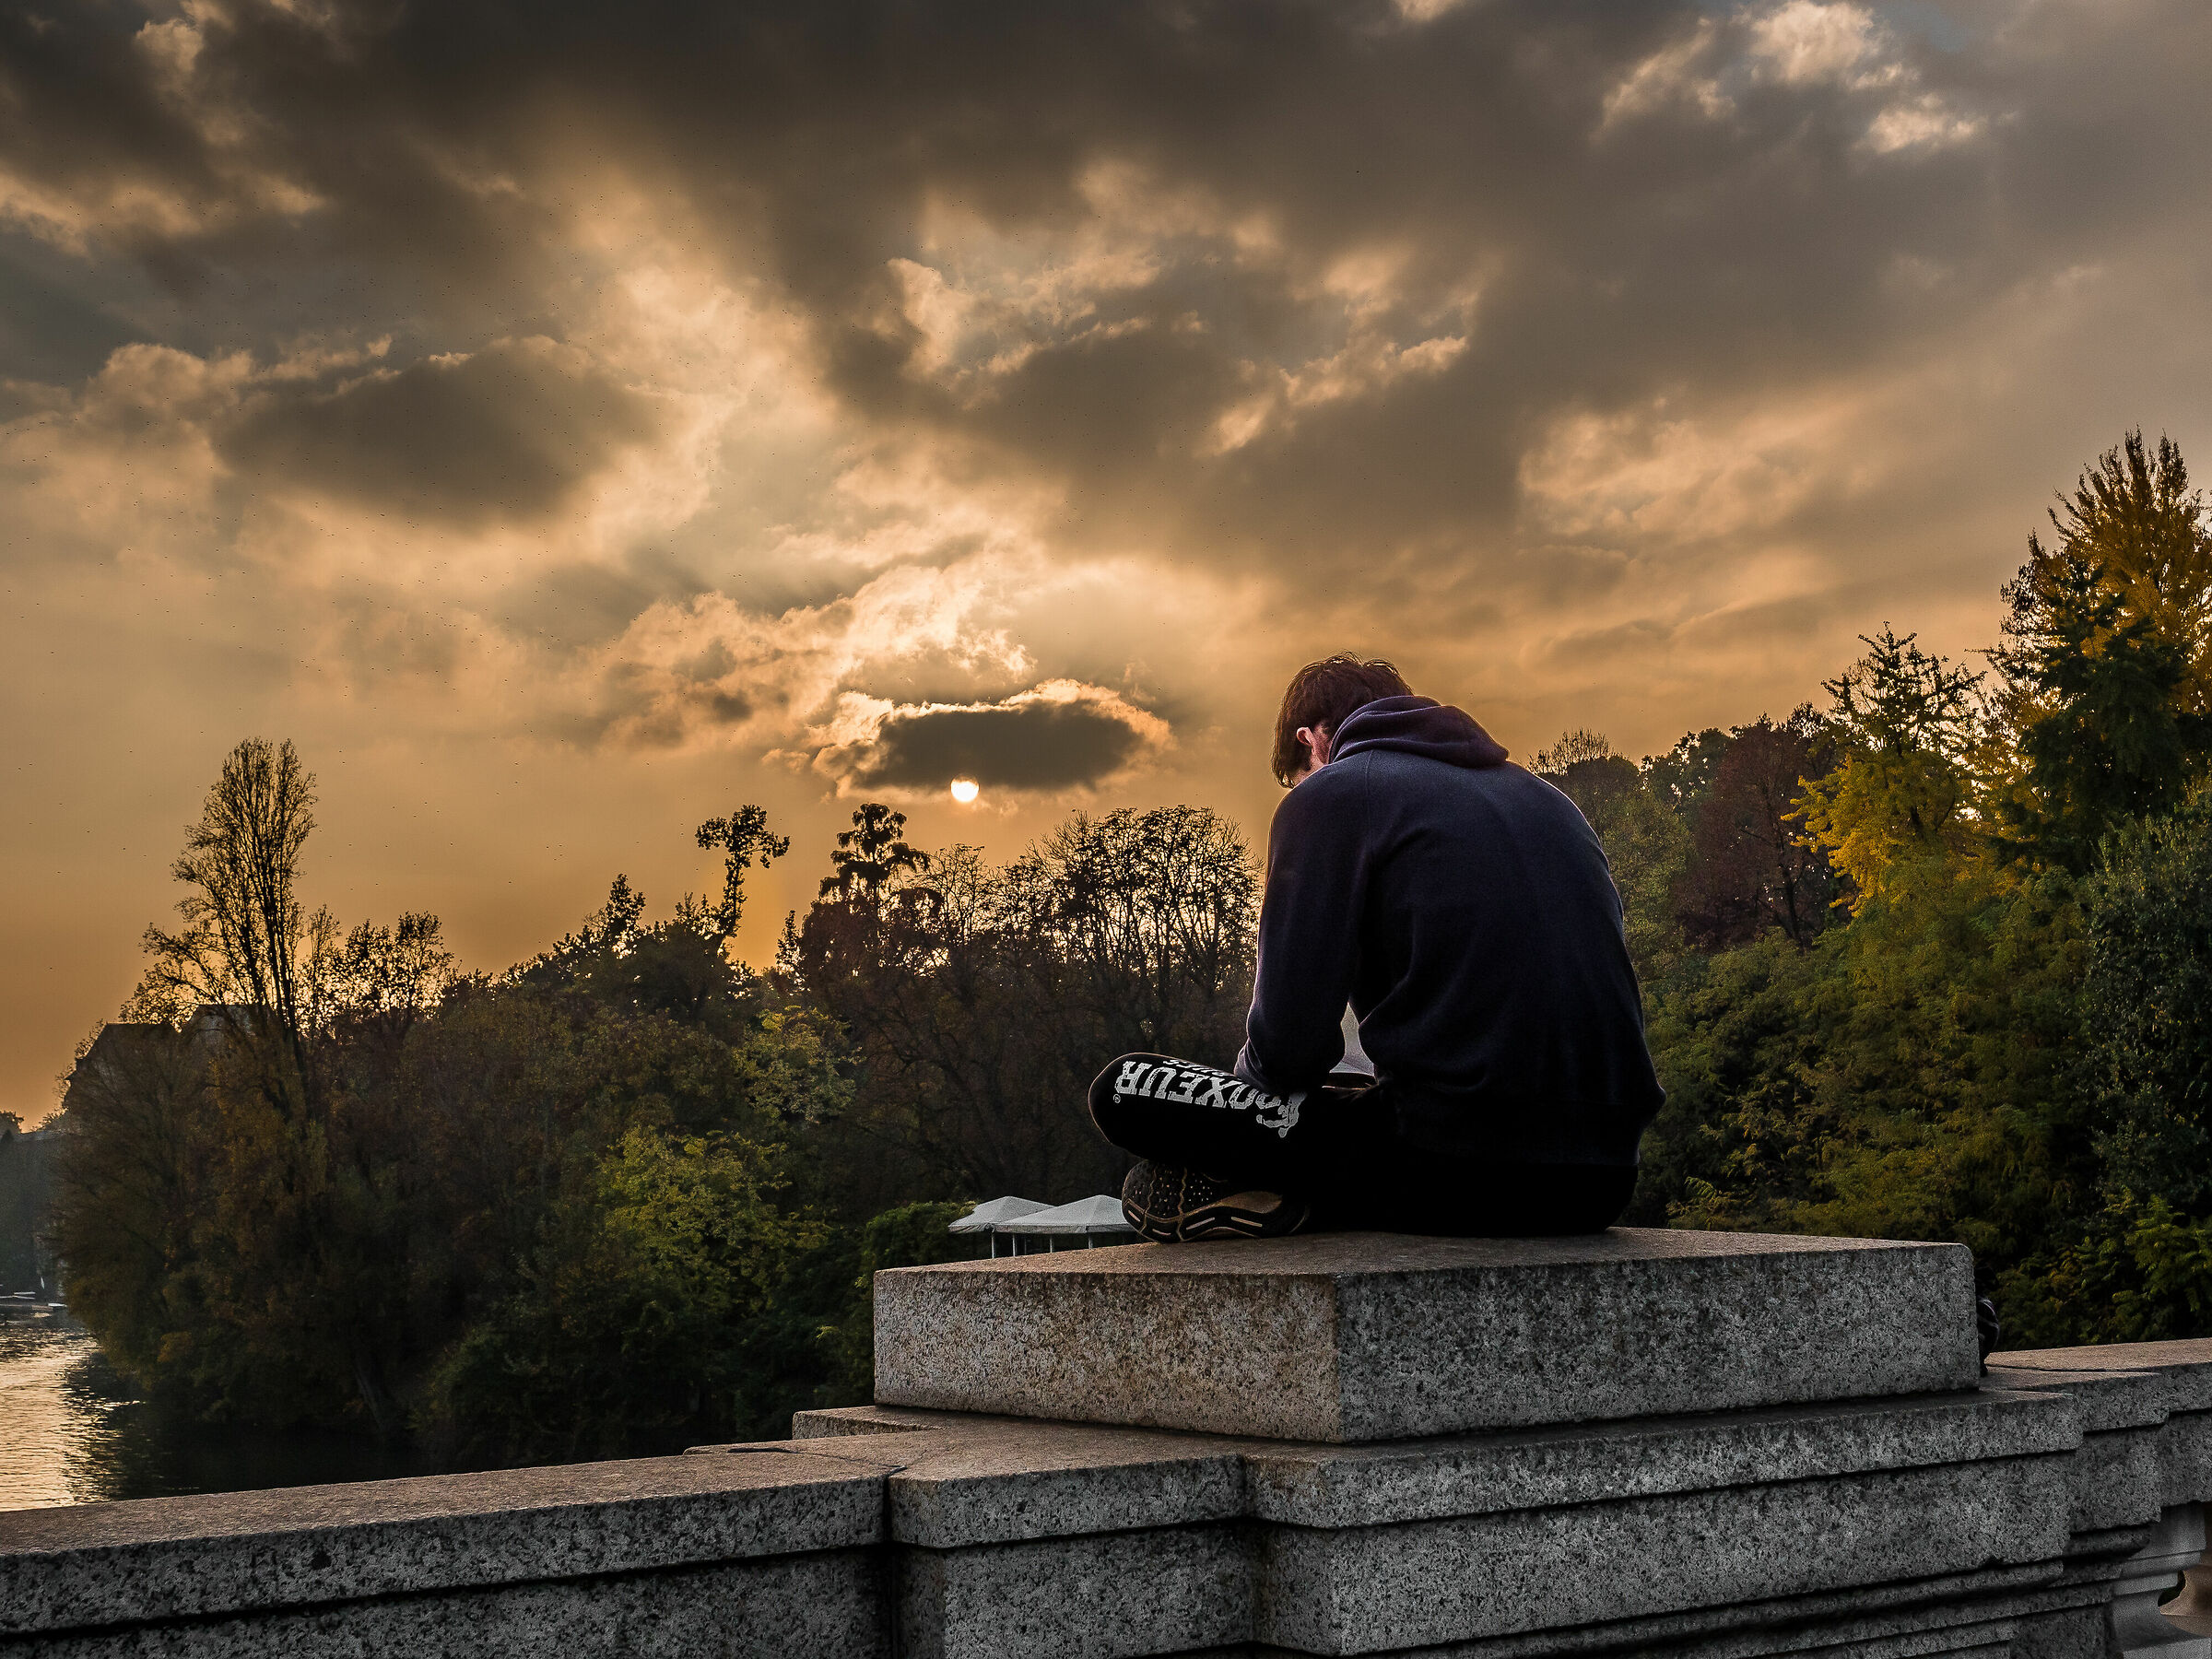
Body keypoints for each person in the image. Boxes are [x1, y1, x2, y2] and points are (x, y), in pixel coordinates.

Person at [1088, 653, 1665, 1241]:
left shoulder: (1333, 795)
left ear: (1311, 741)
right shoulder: (1550, 801)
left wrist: (1249, 1120)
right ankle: (1318, 1184)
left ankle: (1291, 1191)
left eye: (1298, 776)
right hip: (1605, 1180)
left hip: (1459, 1170)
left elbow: (1287, 1051)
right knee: (1356, 1094)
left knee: (1125, 1087)